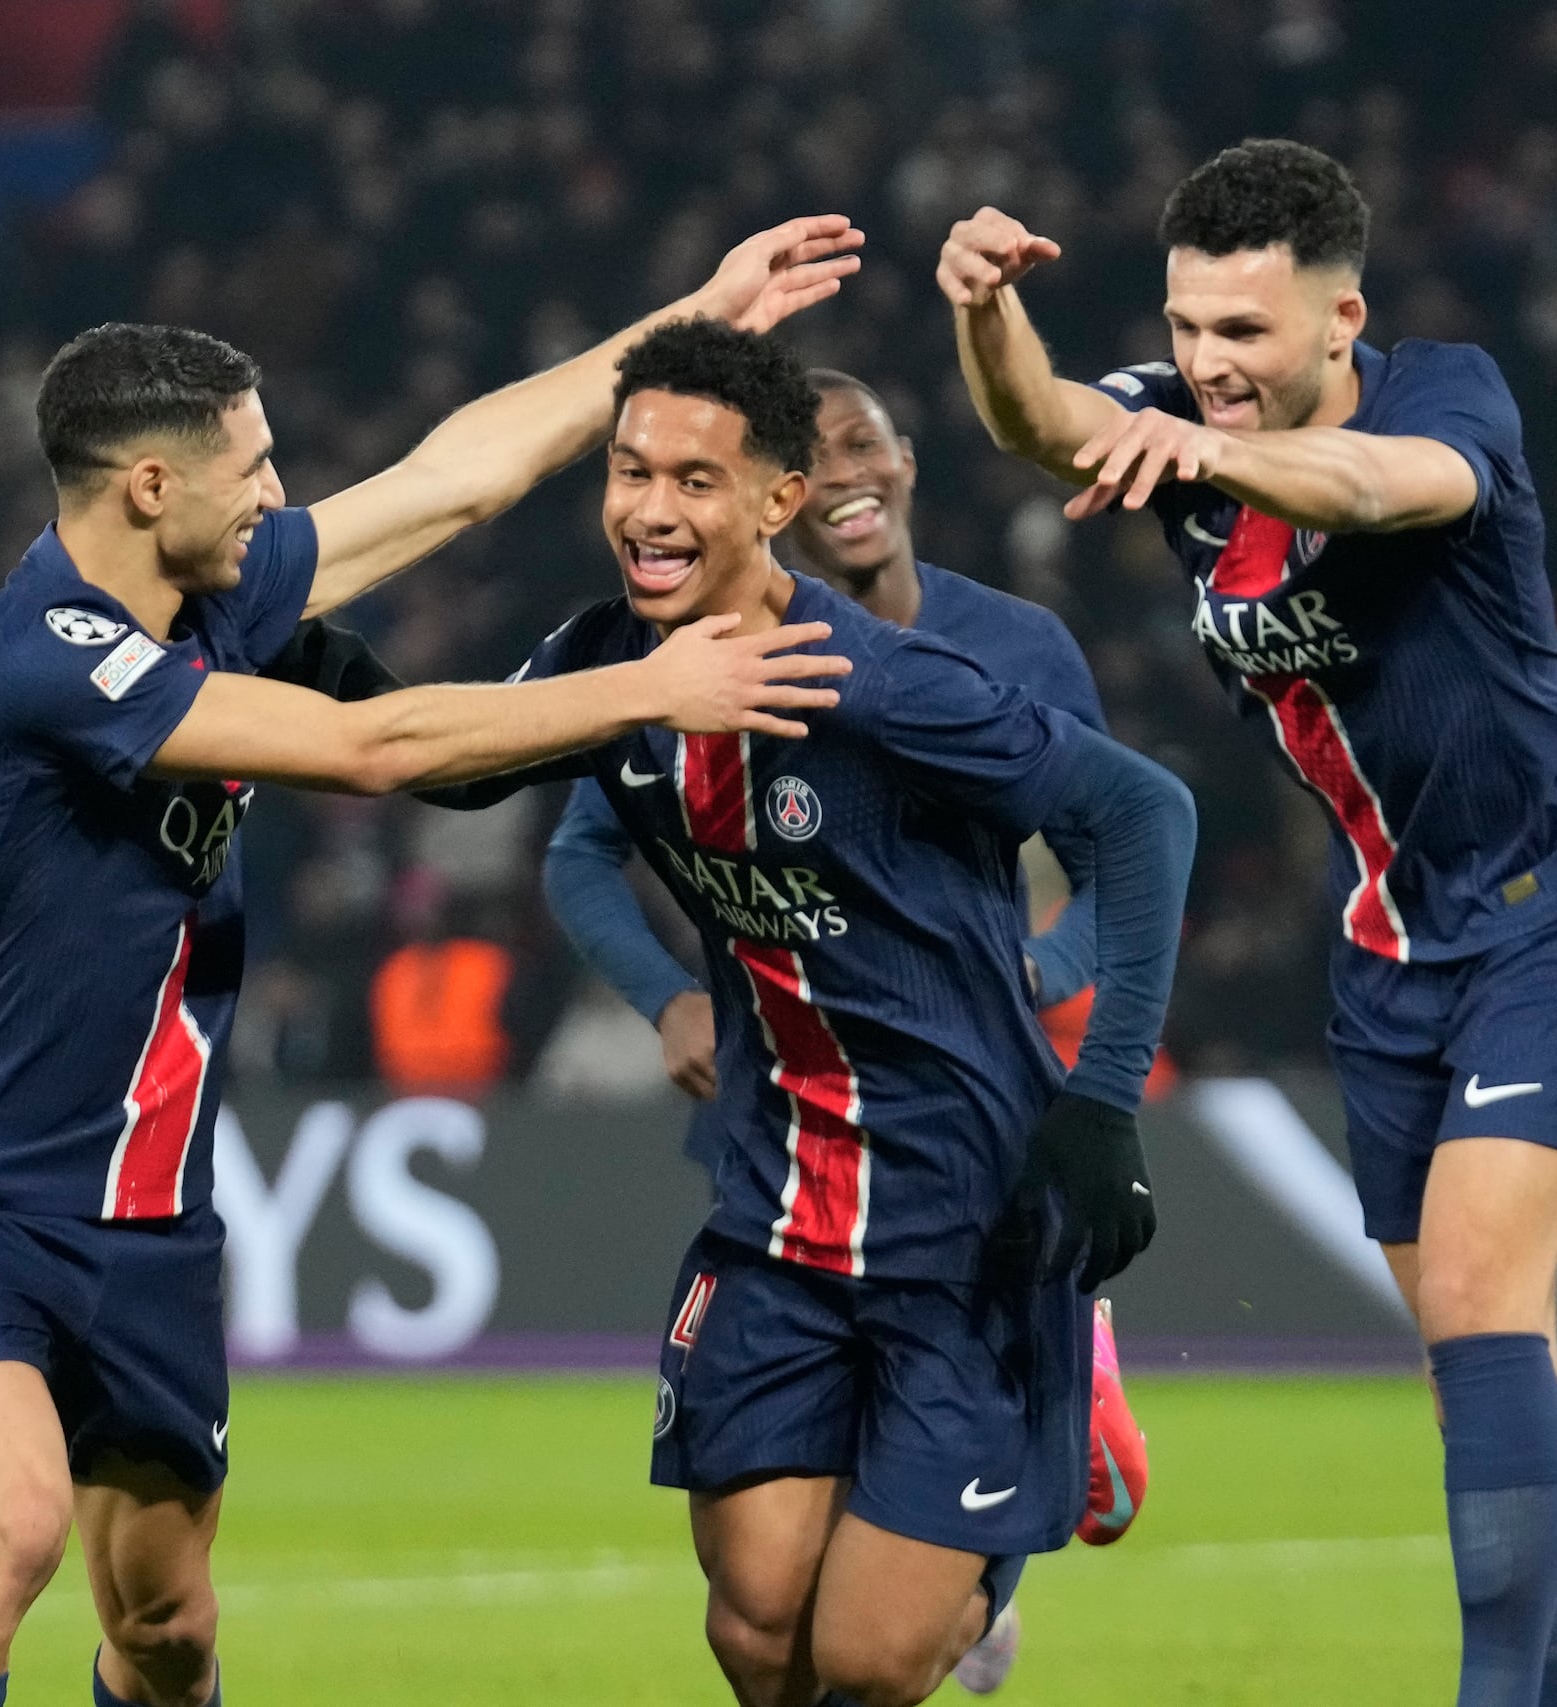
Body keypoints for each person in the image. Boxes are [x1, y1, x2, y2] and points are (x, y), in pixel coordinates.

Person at [0, 217, 862, 1707]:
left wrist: (684, 319)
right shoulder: (36, 655)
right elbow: (371, 748)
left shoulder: (211, 595)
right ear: (152, 484)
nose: (277, 494)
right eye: (253, 468)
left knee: (166, 1629)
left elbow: (462, 476)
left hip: (147, 1223)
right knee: (13, 1528)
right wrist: (650, 683)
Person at [940, 139, 1557, 1707]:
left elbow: (1377, 488)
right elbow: (1035, 418)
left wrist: (1201, 455)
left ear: (1344, 320)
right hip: (1391, 943)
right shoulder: (1177, 413)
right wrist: (986, 313)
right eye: (1189, 328)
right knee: (1482, 1375)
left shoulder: (1445, 396)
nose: (1209, 366)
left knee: (1484, 1312)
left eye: (1247, 335)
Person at [426, 319, 1194, 1707]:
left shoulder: (892, 679)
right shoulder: (616, 667)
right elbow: (463, 775)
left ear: (776, 504)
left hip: (962, 1222)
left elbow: (1142, 813)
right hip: (774, 1209)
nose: (651, 508)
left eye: (695, 479)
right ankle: (983, 1511)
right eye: (629, 471)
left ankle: (1004, 1509)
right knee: (755, 1629)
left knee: (866, 1658)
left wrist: (1100, 1098)